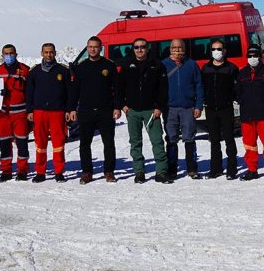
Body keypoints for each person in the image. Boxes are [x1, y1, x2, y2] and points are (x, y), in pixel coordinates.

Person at [68, 36, 121, 183]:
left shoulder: (109, 66)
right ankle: (86, 172)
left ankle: (109, 171)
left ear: (101, 48)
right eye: (90, 47)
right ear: (87, 48)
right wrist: (72, 108)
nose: (93, 49)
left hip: (106, 110)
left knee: (108, 143)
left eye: (96, 47)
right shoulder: (81, 67)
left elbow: (116, 88)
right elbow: (74, 91)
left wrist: (117, 107)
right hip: (86, 110)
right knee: (85, 143)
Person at [119, 37, 171, 184]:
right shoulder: (127, 65)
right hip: (133, 111)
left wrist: (159, 106)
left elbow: (163, 89)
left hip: (151, 110)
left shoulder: (157, 65)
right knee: (135, 142)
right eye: (136, 47)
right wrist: (122, 105)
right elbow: (119, 87)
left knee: (157, 141)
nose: (139, 50)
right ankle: (139, 172)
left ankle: (161, 171)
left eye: (142, 47)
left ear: (147, 48)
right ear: (133, 49)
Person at [25, 42, 71, 183]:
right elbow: (29, 93)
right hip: (39, 111)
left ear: (55, 53)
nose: (48, 55)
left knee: (58, 143)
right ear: (41, 53)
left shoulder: (63, 71)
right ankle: (40, 172)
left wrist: (68, 110)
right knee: (40, 143)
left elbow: (69, 92)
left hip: (57, 111)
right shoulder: (35, 71)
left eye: (51, 52)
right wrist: (29, 110)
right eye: (46, 52)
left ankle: (58, 172)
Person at [235, 45, 264, 181]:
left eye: (254, 55)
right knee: (249, 144)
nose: (252, 58)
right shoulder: (242, 73)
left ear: (259, 56)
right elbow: (236, 92)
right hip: (247, 115)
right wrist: (243, 101)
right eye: (250, 56)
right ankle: (252, 169)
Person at [163, 39, 204, 180]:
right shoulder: (163, 65)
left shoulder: (192, 64)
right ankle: (172, 169)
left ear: (184, 49)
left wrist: (198, 106)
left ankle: (192, 169)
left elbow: (199, 85)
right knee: (171, 139)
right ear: (170, 49)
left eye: (180, 48)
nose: (177, 50)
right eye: (174, 48)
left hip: (188, 108)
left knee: (189, 138)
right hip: (170, 108)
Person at [200, 39, 240, 179]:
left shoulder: (231, 68)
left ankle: (232, 169)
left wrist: (234, 99)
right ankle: (215, 169)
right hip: (211, 109)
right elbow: (202, 87)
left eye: (219, 49)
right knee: (214, 140)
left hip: (226, 108)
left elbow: (237, 88)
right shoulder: (205, 68)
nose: (216, 52)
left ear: (224, 51)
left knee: (229, 139)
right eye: (214, 49)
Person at [0, 44, 32, 181]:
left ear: (16, 54)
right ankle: (6, 170)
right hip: (3, 113)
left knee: (22, 142)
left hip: (20, 112)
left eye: (11, 53)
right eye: (6, 53)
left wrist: (30, 111)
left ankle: (22, 169)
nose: (8, 56)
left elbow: (30, 92)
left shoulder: (24, 70)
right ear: (2, 55)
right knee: (4, 143)